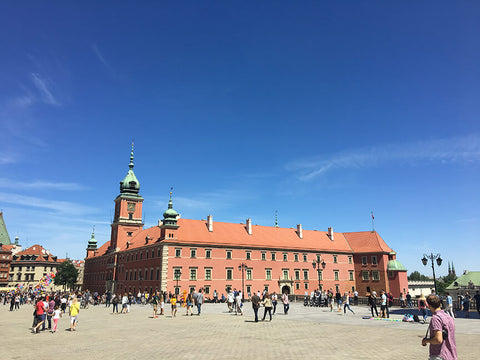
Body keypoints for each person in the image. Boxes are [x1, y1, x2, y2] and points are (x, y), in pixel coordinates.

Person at [421, 294, 457, 360]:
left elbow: (438, 340)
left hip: (440, 355)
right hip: (451, 354)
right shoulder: (449, 317)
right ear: (440, 304)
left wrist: (426, 340)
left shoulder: (436, 318)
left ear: (429, 305)